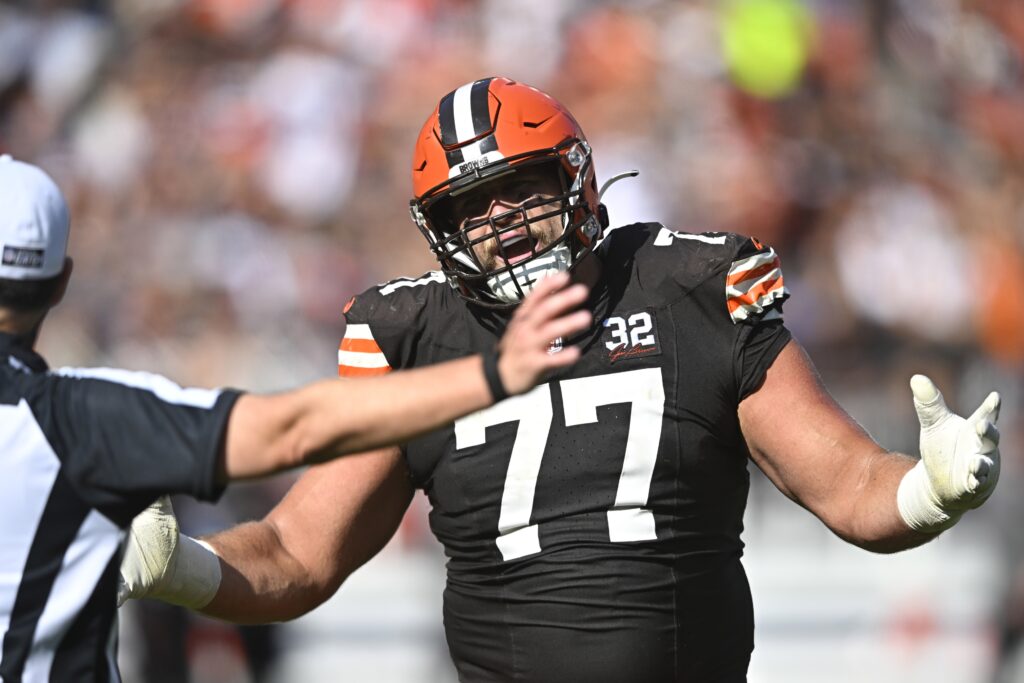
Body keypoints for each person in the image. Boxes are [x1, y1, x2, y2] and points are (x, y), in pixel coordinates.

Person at [119, 78, 1003, 682]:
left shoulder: (686, 289)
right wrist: (183, 567)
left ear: (575, 179)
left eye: (520, 191)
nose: (499, 223)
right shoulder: (416, 334)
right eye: (469, 208)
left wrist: (927, 488)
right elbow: (296, 553)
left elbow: (847, 485)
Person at [0, 154, 591, 683]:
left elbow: (297, 546)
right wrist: (491, 373)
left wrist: (178, 566)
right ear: (60, 284)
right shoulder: (87, 413)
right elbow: (292, 428)